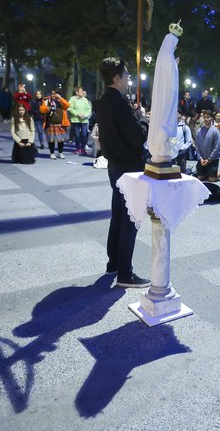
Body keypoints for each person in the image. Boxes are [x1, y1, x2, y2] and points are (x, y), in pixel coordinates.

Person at [97, 57, 150, 288]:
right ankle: (125, 274)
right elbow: (138, 137)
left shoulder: (102, 101)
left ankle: (114, 264)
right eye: (126, 75)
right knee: (130, 219)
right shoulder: (119, 102)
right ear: (117, 78)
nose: (129, 78)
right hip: (130, 169)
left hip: (114, 166)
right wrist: (143, 120)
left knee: (118, 216)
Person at [40, 89, 70, 159]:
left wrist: (60, 98)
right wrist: (47, 107)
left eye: (55, 94)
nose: (53, 95)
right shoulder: (47, 100)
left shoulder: (61, 101)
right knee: (51, 139)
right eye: (52, 93)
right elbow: (42, 110)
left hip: (60, 124)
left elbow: (67, 105)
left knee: (61, 140)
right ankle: (52, 153)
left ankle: (60, 153)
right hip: (50, 124)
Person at [194, 110, 220, 182]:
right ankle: (207, 173)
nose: (206, 119)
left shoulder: (215, 131)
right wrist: (200, 158)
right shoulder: (200, 131)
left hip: (212, 159)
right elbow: (197, 146)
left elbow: (217, 147)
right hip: (202, 159)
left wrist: (209, 159)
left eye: (208, 117)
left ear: (211, 118)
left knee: (212, 179)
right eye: (204, 117)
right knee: (200, 177)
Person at [68, 86, 92, 155]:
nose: (82, 92)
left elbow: (88, 109)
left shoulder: (85, 99)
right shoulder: (72, 99)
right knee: (77, 135)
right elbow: (70, 108)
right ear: (77, 92)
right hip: (76, 120)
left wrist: (85, 115)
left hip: (84, 120)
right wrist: (77, 114)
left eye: (82, 91)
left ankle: (83, 148)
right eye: (81, 91)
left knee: (84, 135)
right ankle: (78, 148)